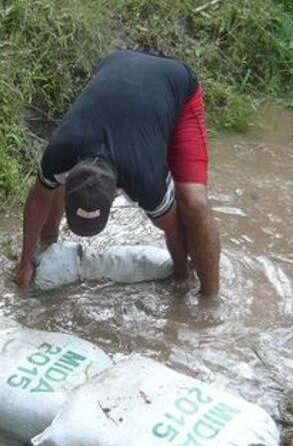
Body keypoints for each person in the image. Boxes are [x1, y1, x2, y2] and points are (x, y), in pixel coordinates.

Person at [13, 50, 220, 295]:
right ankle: (48, 243)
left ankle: (210, 295)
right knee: (49, 187)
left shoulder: (145, 179)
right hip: (117, 65)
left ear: (115, 196)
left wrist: (181, 276)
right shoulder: (60, 150)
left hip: (174, 84)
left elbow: (173, 230)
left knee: (193, 203)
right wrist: (26, 259)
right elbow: (39, 197)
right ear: (68, 182)